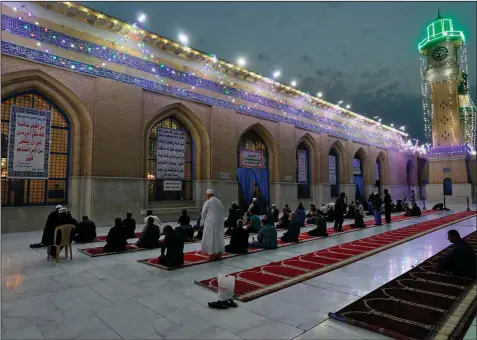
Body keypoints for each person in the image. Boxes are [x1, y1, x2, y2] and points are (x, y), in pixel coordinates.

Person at [200, 189, 225, 261]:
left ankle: (211, 255)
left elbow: (203, 213)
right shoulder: (219, 201)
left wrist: (202, 222)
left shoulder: (208, 202)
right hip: (219, 223)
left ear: (208, 194)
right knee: (219, 238)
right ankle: (219, 254)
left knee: (211, 238)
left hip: (210, 223)